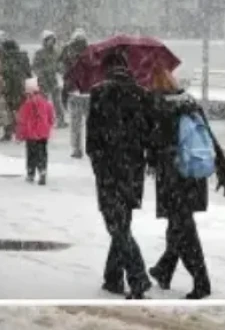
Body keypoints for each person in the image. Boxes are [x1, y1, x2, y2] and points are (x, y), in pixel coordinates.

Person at [147, 68, 225, 300]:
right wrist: (223, 168)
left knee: (184, 231)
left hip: (173, 178)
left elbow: (154, 145)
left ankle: (201, 282)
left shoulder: (158, 106)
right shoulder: (189, 102)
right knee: (178, 226)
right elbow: (208, 136)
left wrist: (149, 157)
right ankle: (164, 270)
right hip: (194, 175)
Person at [86, 48, 154, 300]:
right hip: (132, 171)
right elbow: (149, 134)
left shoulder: (99, 93)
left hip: (108, 171)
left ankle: (138, 277)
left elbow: (91, 142)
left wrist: (100, 168)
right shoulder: (141, 94)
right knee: (122, 224)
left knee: (116, 226)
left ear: (106, 69)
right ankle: (113, 278)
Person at [15, 77, 56, 185]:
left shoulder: (26, 105)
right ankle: (43, 170)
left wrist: (19, 135)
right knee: (42, 153)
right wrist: (48, 126)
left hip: (31, 135)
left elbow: (22, 121)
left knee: (31, 154)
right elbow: (51, 118)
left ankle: (31, 173)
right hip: (43, 134)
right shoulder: (46, 103)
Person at [60, 29, 90, 158]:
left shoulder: (68, 53)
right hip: (88, 93)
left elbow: (65, 74)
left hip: (74, 93)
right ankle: (92, 148)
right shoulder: (91, 52)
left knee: (75, 124)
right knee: (91, 124)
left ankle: (77, 149)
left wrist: (64, 94)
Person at [32, 30, 66, 129]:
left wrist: (61, 69)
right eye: (49, 40)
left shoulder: (56, 52)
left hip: (53, 80)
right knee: (43, 102)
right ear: (45, 41)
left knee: (57, 102)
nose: (51, 42)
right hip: (43, 81)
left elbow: (59, 65)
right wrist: (42, 74)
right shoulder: (40, 53)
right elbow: (35, 66)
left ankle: (61, 120)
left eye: (53, 40)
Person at [0, 39, 31, 140]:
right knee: (22, 111)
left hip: (8, 87)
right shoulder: (23, 57)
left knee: (7, 111)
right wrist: (33, 89)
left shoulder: (3, 58)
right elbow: (28, 73)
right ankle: (22, 132)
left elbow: (1, 72)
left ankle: (8, 133)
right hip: (21, 87)